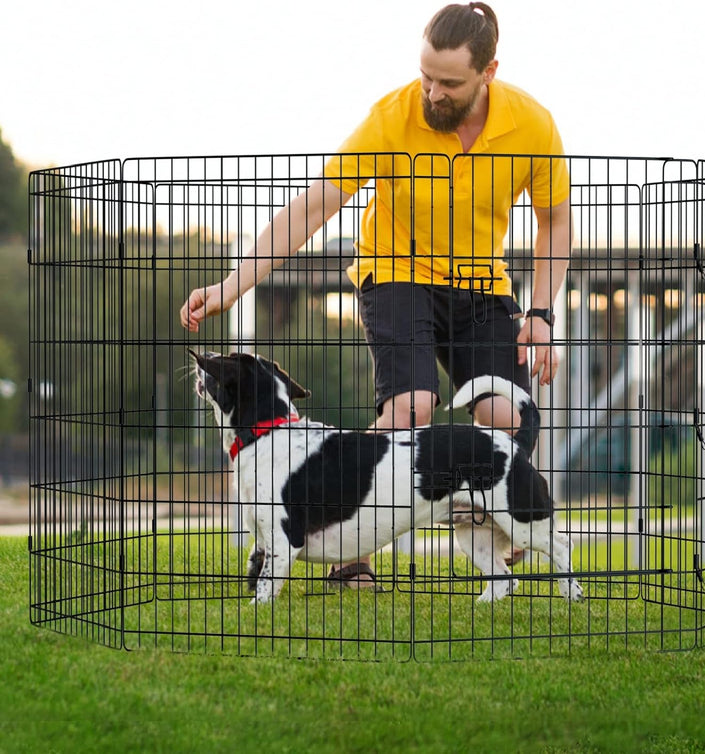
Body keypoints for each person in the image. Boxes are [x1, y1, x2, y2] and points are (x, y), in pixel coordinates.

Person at [180, 2, 572, 589]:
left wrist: (540, 312)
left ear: (488, 72)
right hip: (396, 276)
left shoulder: (533, 125)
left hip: (481, 287)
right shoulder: (389, 119)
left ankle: (495, 527)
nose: (432, 93)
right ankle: (348, 548)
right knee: (412, 407)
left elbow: (555, 221)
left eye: (449, 83)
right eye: (425, 76)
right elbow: (312, 208)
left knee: (504, 417)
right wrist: (230, 286)